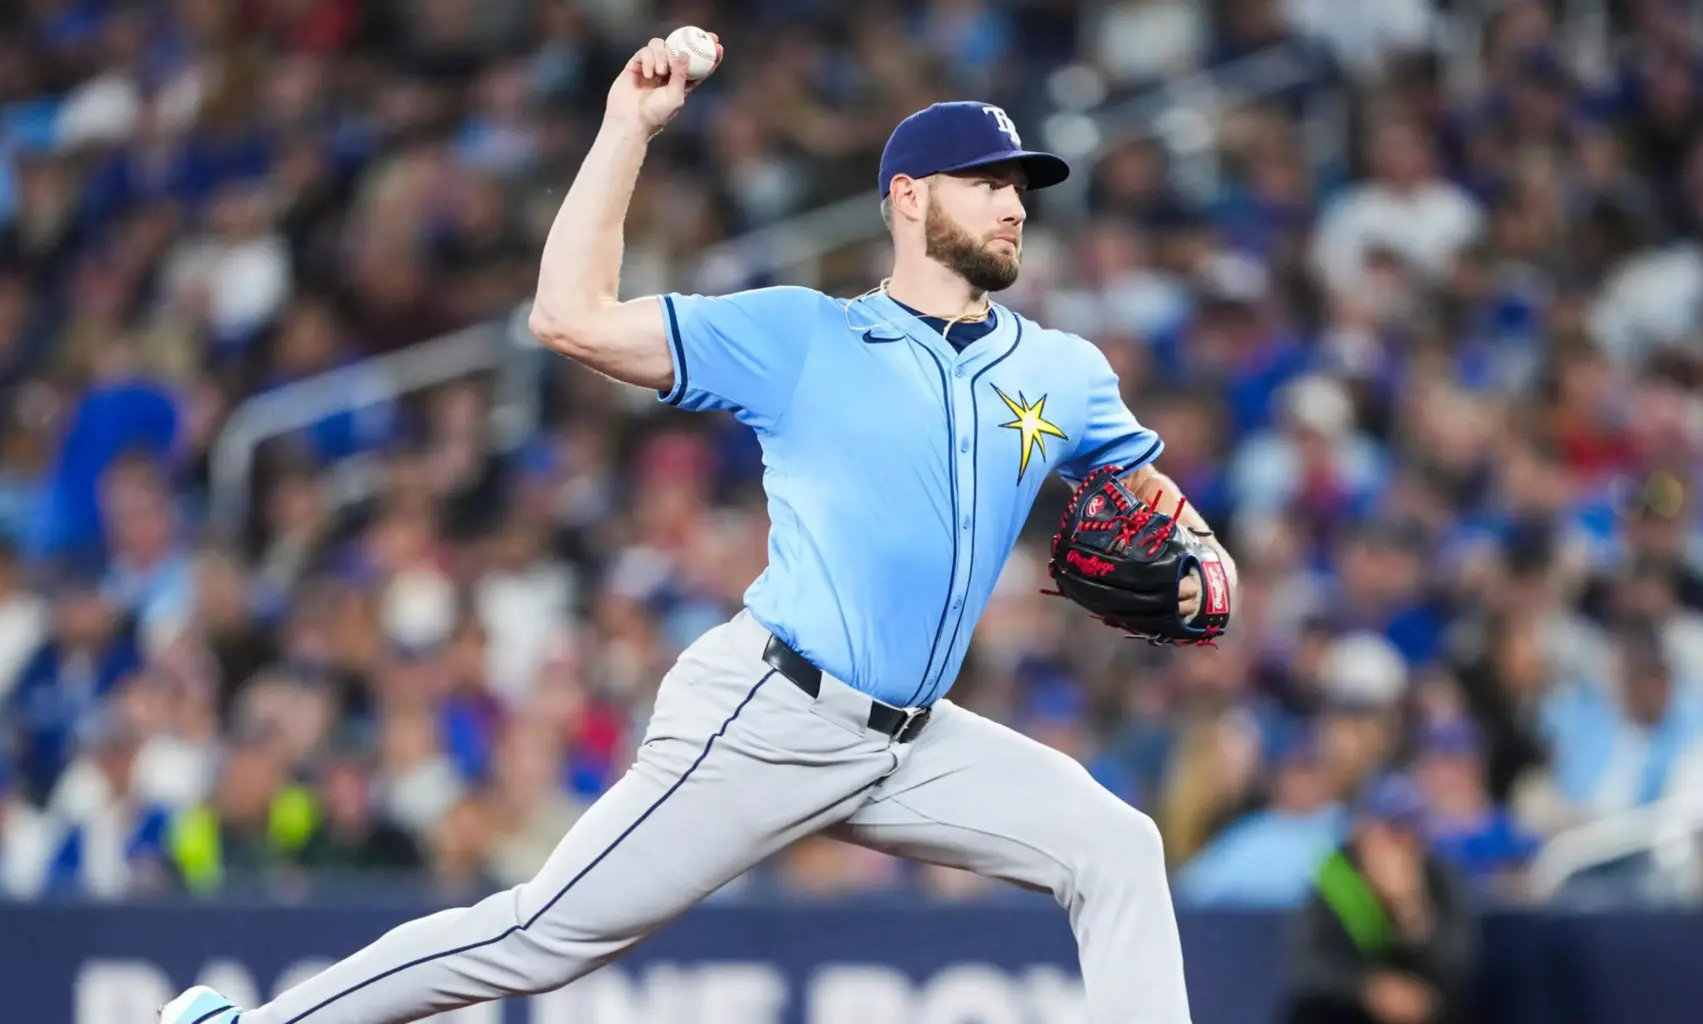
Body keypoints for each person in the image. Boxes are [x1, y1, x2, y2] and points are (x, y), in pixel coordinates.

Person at [164, 32, 1237, 1024]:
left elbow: (1164, 510)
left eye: (1022, 186)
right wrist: (628, 128)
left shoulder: (1063, 368)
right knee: (542, 934)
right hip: (774, 713)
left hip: (917, 740)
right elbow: (566, 315)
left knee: (1115, 846)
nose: (1014, 204)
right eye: (989, 181)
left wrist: (1208, 571)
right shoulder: (803, 335)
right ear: (907, 198)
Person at [1281, 774, 1478, 1024]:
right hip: (1353, 1009)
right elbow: (1308, 965)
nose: (1399, 845)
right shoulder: (1337, 875)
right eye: (1388, 831)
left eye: (1408, 831)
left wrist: (1411, 910)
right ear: (1362, 831)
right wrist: (1369, 989)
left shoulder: (1440, 877)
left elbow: (1459, 966)